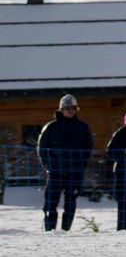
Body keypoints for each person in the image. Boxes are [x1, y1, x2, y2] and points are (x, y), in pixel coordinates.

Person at [38, 93, 94, 231]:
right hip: (55, 171)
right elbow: (42, 148)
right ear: (61, 109)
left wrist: (81, 163)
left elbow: (88, 147)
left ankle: (65, 230)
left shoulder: (82, 127)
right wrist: (48, 166)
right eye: (67, 108)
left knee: (70, 202)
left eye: (73, 107)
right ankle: (50, 230)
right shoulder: (51, 127)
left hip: (75, 172)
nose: (70, 110)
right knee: (50, 203)